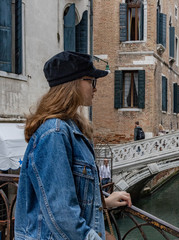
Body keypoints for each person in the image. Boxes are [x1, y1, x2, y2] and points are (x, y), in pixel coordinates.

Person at [15, 51, 132, 240]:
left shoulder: (69, 127)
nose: (95, 88)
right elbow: (61, 214)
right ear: (74, 83)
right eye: (91, 81)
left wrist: (105, 201)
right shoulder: (55, 132)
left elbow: (68, 189)